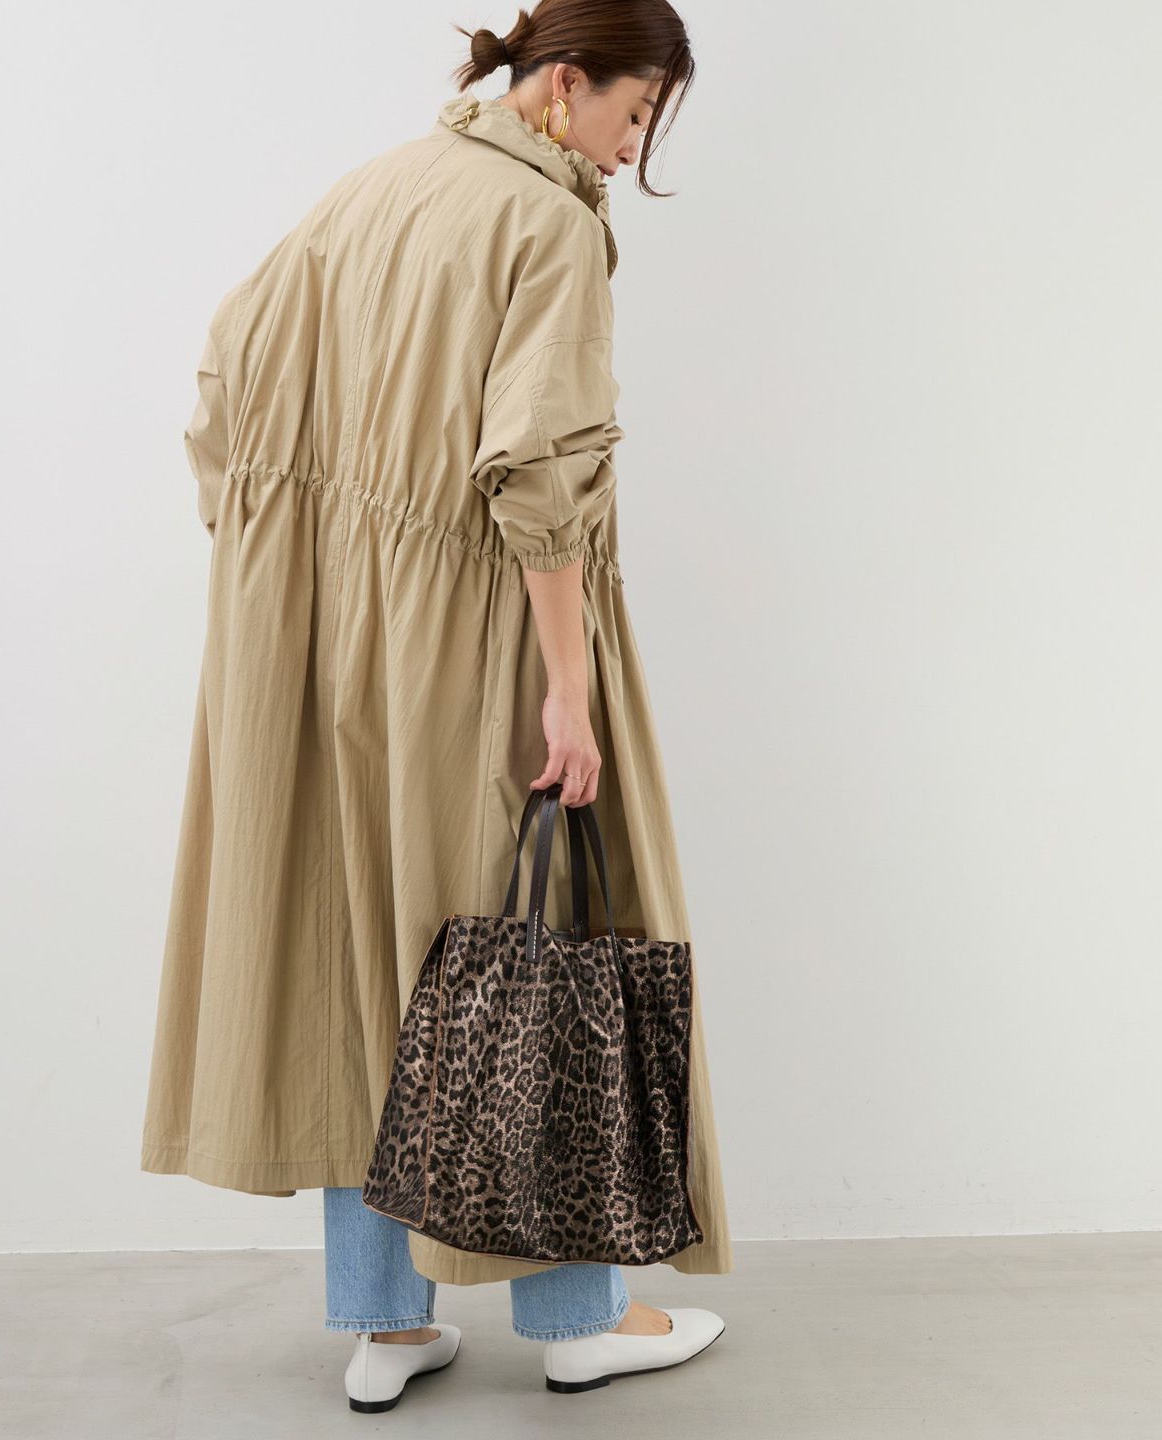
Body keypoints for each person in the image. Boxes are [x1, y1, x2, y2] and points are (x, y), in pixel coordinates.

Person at [141, 0, 733, 1411]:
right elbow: (539, 470)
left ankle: (386, 1327)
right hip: (475, 636)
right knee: (537, 940)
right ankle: (578, 1317)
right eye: (634, 115)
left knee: (366, 954)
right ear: (566, 85)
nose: (630, 150)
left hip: (314, 645)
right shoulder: (548, 225)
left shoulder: (376, 184)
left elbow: (223, 383)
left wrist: (291, 574)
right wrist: (569, 691)